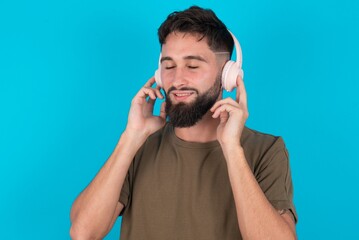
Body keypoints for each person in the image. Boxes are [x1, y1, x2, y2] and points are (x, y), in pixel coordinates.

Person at [70, 6, 297, 240]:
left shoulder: (267, 150)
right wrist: (130, 138)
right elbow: (83, 233)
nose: (177, 80)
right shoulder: (140, 145)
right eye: (168, 66)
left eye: (192, 66)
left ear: (228, 75)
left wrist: (232, 148)